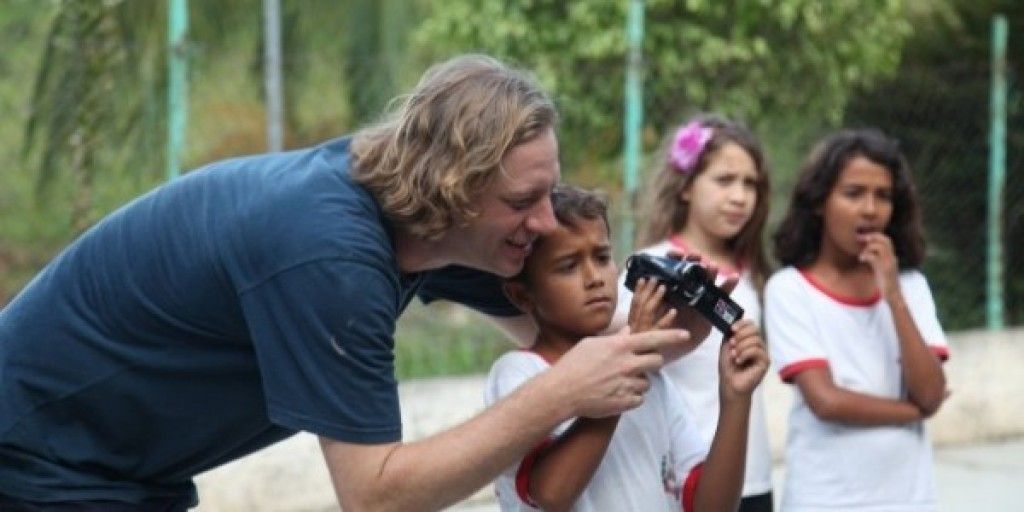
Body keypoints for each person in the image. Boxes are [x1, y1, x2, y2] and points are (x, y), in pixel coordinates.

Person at [0, 55, 712, 511]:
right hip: (40, 459)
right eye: (524, 202)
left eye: (549, 194)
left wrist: (685, 322)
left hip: (126, 472)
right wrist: (556, 396)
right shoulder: (330, 255)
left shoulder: (434, 223)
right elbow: (375, 497)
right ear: (453, 187)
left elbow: (575, 342)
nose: (547, 221)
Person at [486, 184, 770, 511]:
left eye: (603, 257)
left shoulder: (651, 379)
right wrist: (629, 365)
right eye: (568, 266)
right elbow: (551, 493)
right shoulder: (519, 373)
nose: (595, 278)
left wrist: (735, 398)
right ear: (522, 295)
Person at [765, 129, 949, 511]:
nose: (870, 209)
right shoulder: (790, 289)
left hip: (910, 498)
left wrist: (893, 295)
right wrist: (913, 413)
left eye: (882, 196)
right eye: (853, 193)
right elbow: (826, 401)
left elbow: (930, 390)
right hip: (826, 498)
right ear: (820, 202)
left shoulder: (911, 286)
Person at [611, 115, 776, 511]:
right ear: (685, 186)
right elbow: (619, 351)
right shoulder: (649, 267)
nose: (740, 196)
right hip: (685, 481)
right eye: (724, 180)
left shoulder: (756, 272)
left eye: (750, 183)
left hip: (752, 475)